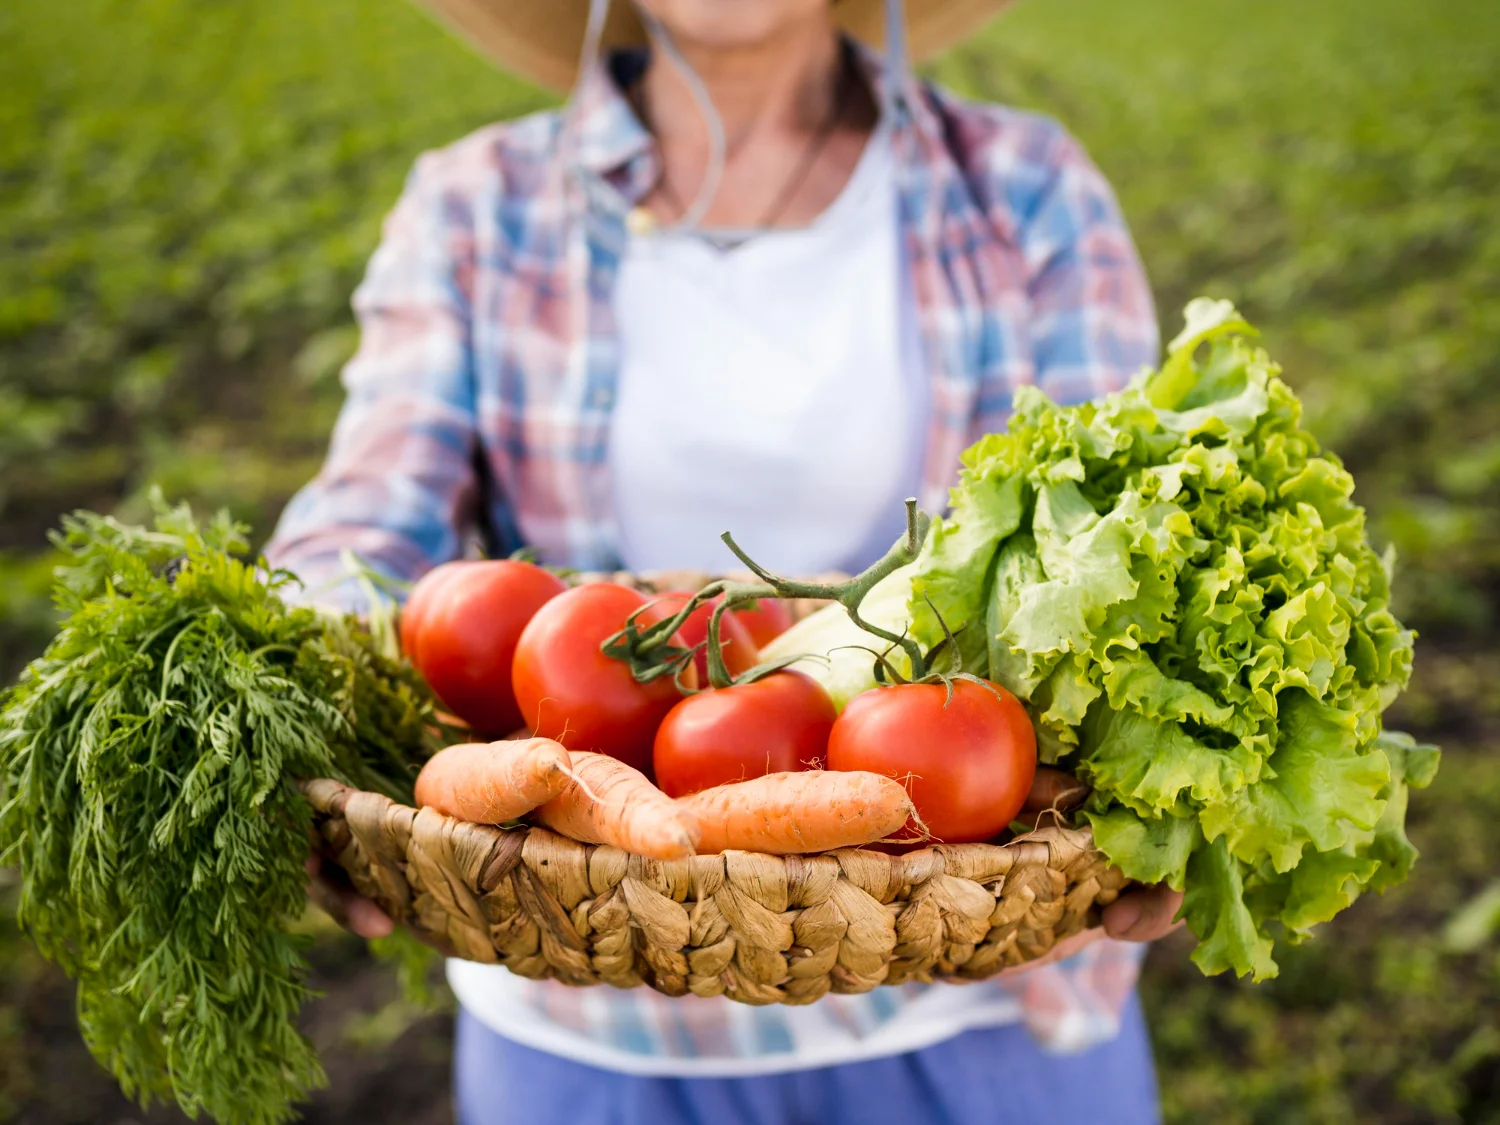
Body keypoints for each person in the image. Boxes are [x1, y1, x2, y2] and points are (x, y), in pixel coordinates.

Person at [270, 1, 1182, 1121]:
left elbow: (1125, 546)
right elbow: (364, 525)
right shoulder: (476, 206)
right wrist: (286, 714)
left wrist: (1176, 778)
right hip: (583, 1021)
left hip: (989, 1018)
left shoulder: (1024, 189)